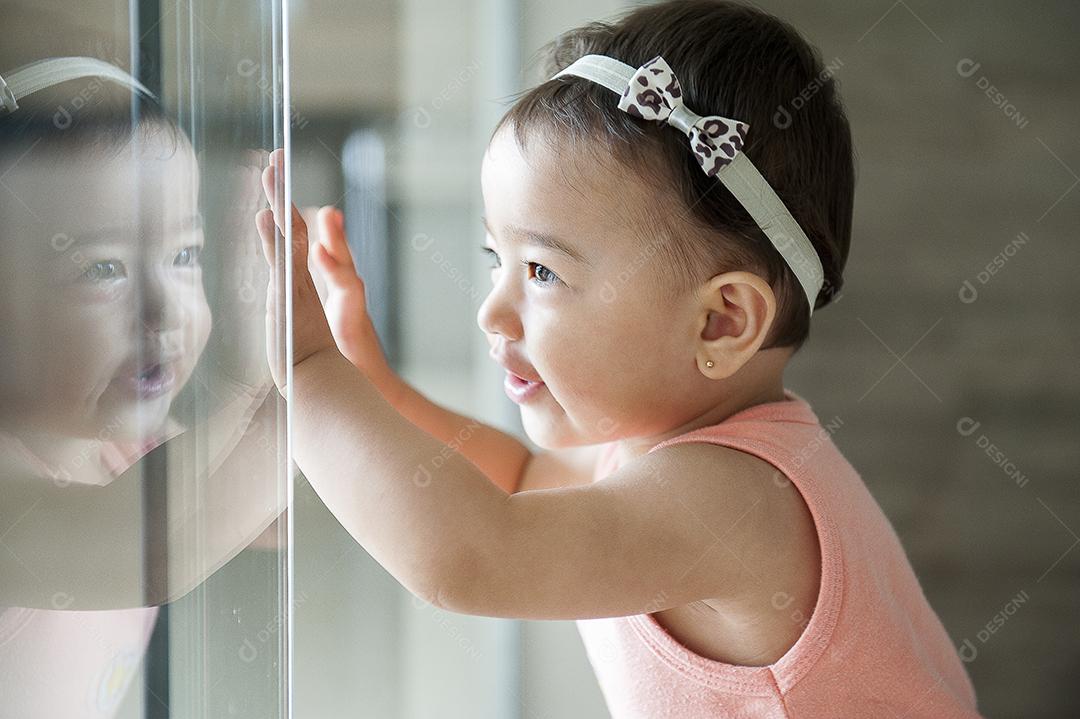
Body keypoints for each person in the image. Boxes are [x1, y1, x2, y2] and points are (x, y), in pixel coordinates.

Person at [257, 1, 982, 716]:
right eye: (494, 258)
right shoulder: (663, 449)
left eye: (542, 271)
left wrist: (311, 370)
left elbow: (473, 554)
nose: (492, 310)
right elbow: (518, 481)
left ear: (722, 321)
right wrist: (374, 387)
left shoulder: (733, 499)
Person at [0, 56, 283, 718]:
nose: (163, 310)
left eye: (186, 255)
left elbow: (268, 517)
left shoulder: (123, 447)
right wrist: (274, 369)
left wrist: (257, 332)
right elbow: (160, 549)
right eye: (102, 267)